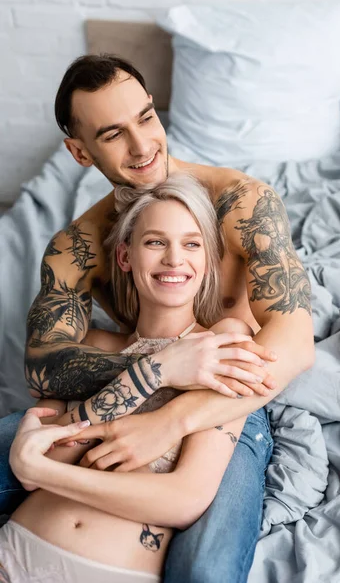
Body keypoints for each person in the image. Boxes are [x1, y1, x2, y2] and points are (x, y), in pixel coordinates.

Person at [0, 54, 314, 582]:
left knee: (206, 570)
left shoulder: (241, 203)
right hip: (131, 376)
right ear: (80, 152)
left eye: (147, 118)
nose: (143, 146)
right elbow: (43, 368)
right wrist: (161, 367)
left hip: (229, 398)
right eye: (114, 133)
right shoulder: (76, 248)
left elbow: (295, 347)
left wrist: (170, 420)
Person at [0, 176, 274, 582]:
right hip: (13, 552)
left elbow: (185, 498)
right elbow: (42, 453)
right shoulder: (91, 345)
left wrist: (43, 472)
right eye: (155, 242)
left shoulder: (220, 344)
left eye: (191, 243)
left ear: (208, 261)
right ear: (126, 257)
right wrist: (150, 374)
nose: (174, 259)